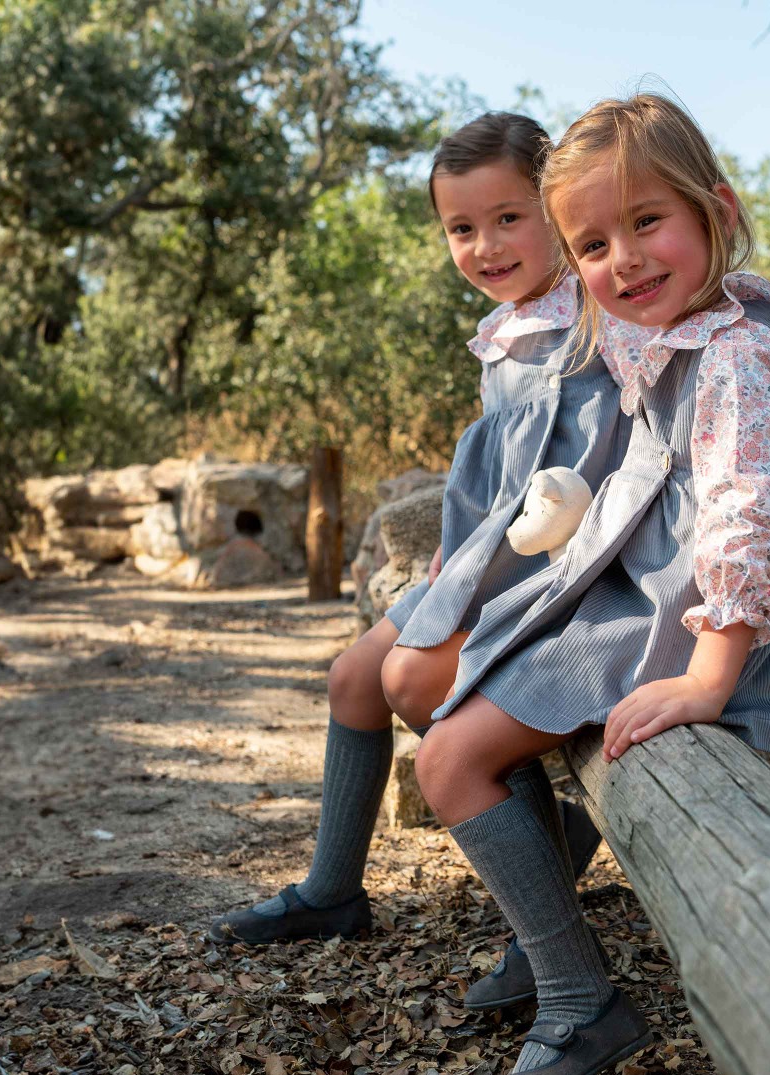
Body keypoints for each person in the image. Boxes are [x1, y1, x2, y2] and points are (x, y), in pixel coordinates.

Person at [406, 93, 770, 1075]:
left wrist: (710, 677)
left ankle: (579, 1002)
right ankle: (547, 947)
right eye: (590, 243)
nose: (622, 261)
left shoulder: (737, 355)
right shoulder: (672, 324)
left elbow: (750, 516)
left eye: (647, 222)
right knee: (452, 687)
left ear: (717, 209)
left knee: (449, 756)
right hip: (660, 590)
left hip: (714, 621)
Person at [209, 113, 648, 1021]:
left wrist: (466, 586)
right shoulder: (510, 330)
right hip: (487, 563)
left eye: (509, 218)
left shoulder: (596, 326)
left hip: (558, 584)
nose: (485, 245)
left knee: (414, 679)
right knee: (351, 680)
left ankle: (547, 905)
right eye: (461, 228)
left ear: (558, 210)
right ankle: (334, 891)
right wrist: (448, 571)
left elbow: (582, 493)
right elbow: (496, 479)